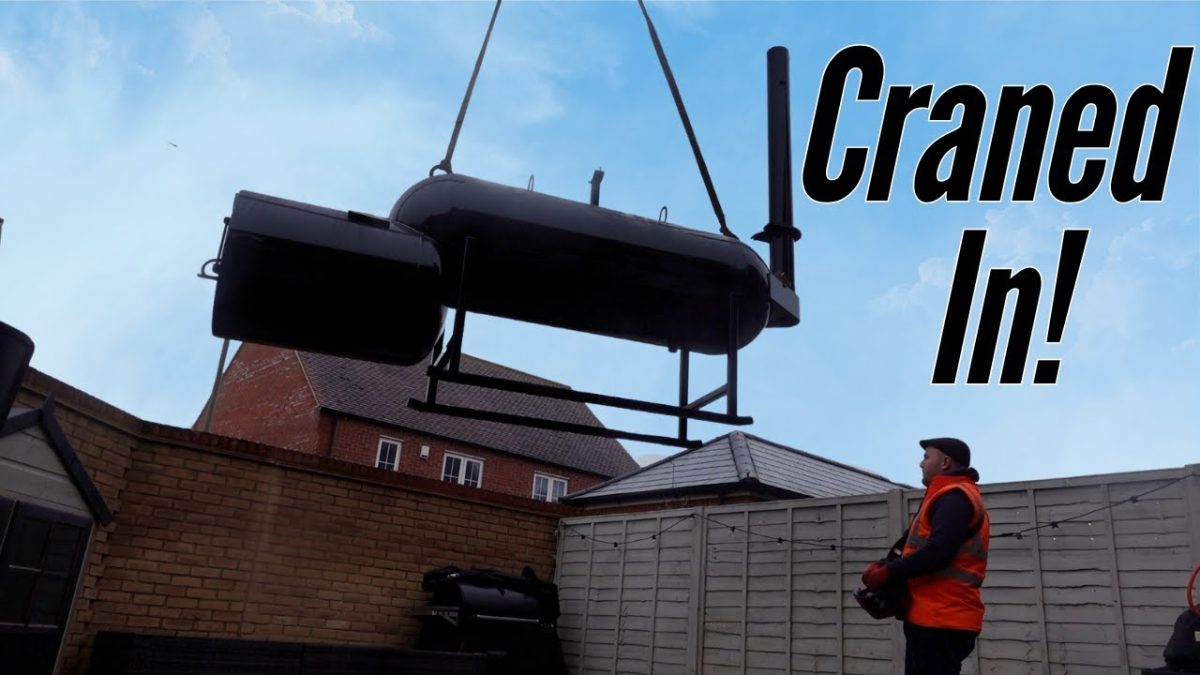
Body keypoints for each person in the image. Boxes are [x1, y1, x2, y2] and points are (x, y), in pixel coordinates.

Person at [861, 437, 990, 675]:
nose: (921, 464)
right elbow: (918, 549)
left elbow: (939, 551)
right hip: (936, 617)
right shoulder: (945, 495)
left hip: (941, 619)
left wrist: (888, 573)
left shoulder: (955, 497)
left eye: (926, 457)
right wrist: (887, 566)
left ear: (945, 462)